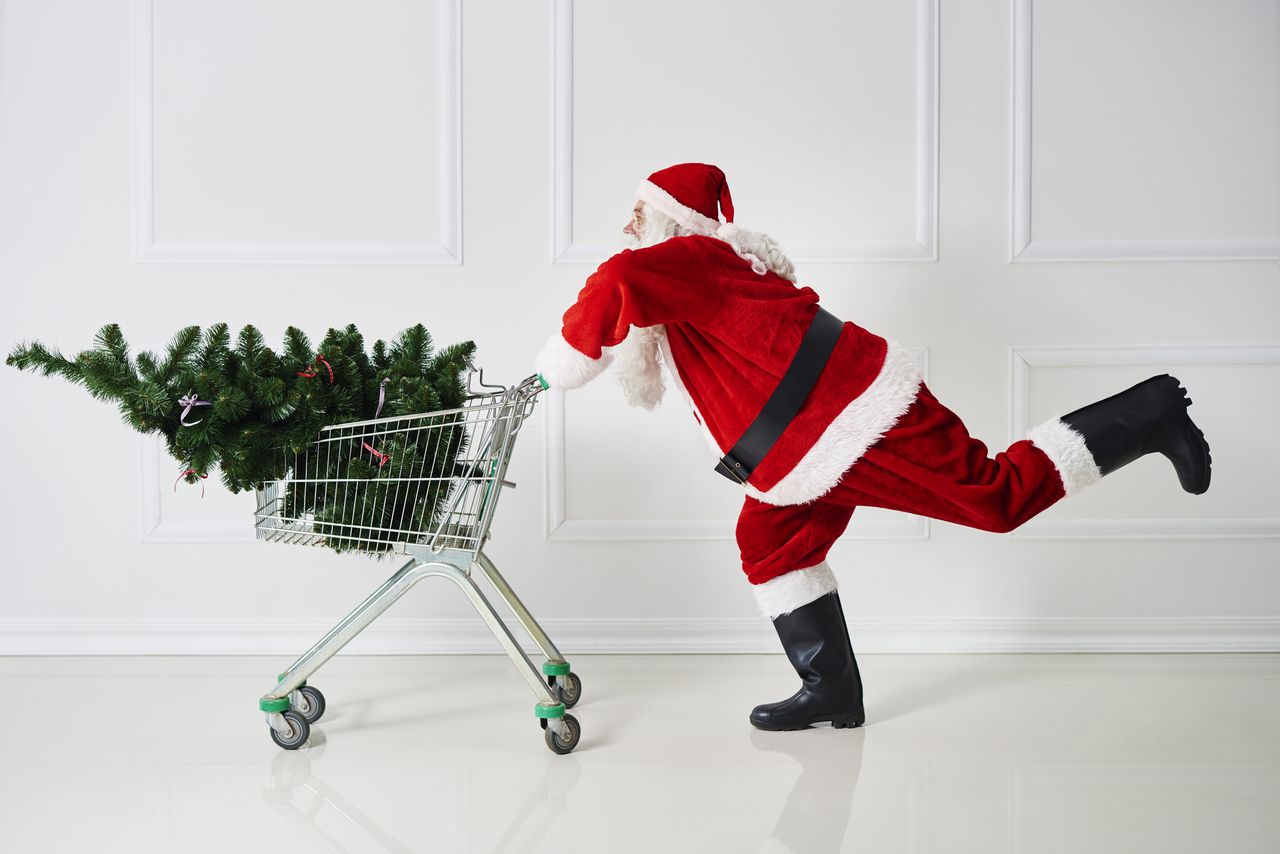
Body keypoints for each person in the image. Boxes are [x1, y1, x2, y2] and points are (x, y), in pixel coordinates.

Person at [533, 162, 1213, 731]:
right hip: (798, 459)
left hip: (855, 419)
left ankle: (1148, 413)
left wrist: (560, 363)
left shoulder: (695, 259)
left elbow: (619, 279)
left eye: (639, 210)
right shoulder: (707, 275)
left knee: (997, 498)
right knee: (769, 547)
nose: (626, 223)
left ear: (676, 220)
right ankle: (831, 689)